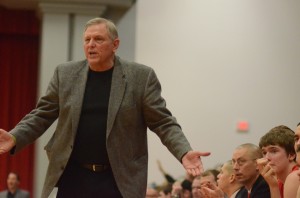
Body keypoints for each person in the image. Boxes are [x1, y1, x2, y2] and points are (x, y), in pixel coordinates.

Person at [0, 17, 210, 198]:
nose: (91, 44)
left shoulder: (140, 77)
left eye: (98, 39)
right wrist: (16, 136)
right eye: (87, 40)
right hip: (73, 174)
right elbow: (42, 114)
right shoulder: (65, 74)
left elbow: (163, 122)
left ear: (115, 44)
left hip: (118, 178)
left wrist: (184, 152)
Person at [258, 125, 299, 198]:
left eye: (273, 151)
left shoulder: (295, 177)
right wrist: (273, 185)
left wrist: (273, 187)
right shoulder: (279, 181)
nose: (267, 158)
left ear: (291, 155)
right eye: (264, 153)